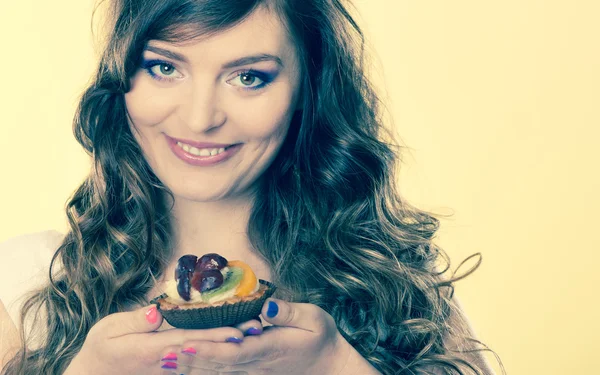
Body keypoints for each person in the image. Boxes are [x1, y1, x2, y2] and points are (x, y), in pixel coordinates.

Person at [0, 0, 500, 374]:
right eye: (165, 67)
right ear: (122, 79)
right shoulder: (20, 288)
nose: (200, 118)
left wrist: (338, 366)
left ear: (307, 88)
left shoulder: (394, 283)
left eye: (248, 77)